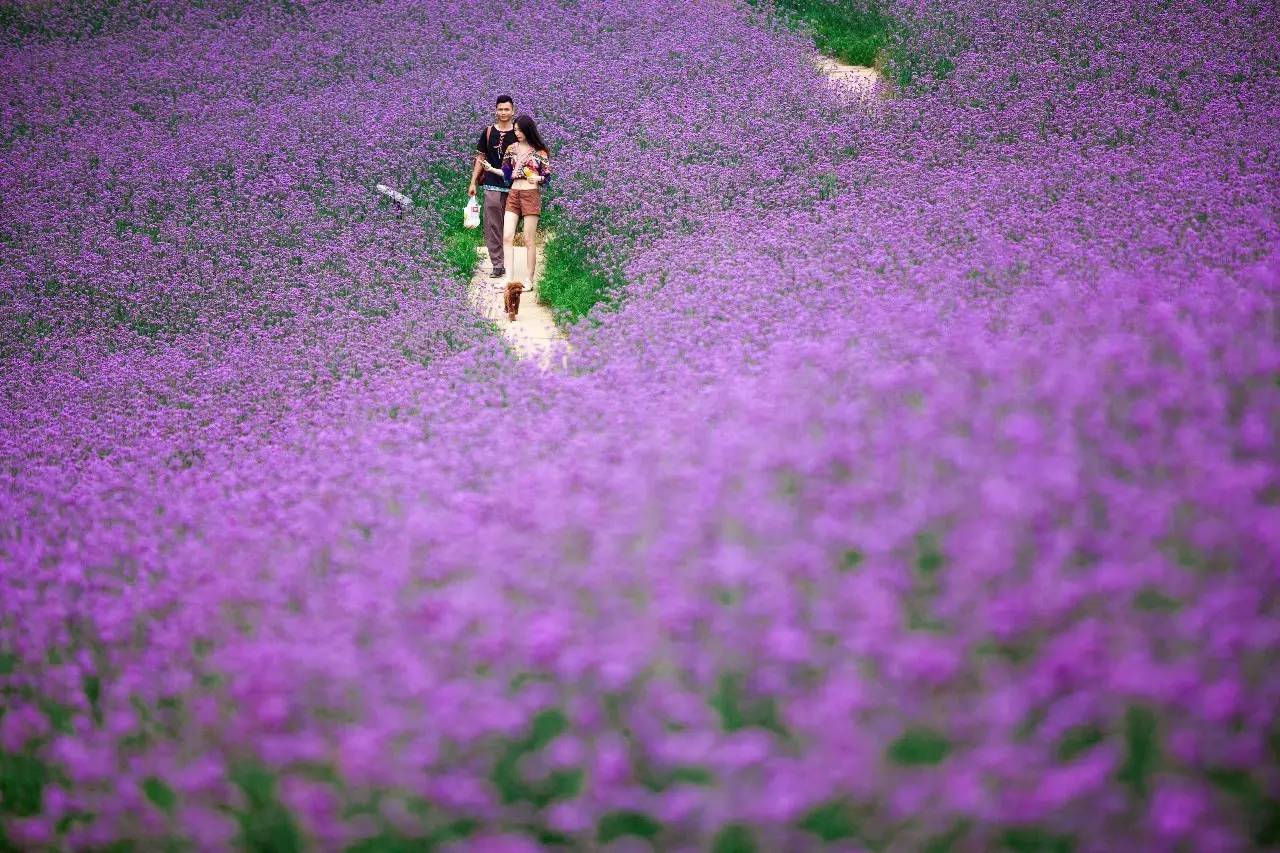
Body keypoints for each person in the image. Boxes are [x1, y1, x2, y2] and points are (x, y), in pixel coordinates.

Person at [492, 114, 550, 284]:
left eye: (520, 130)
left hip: (531, 194)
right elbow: (507, 173)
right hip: (513, 194)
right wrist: (492, 169)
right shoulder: (511, 148)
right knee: (507, 236)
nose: (517, 133)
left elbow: (547, 176)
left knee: (528, 239)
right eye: (515, 130)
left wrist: (537, 179)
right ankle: (509, 278)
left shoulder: (540, 151)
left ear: (528, 130)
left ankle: (529, 279)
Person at [469, 95, 517, 279]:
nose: (503, 113)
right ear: (495, 111)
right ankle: (497, 264)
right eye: (500, 109)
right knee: (493, 226)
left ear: (513, 111)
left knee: (510, 227)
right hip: (491, 185)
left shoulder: (518, 132)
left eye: (507, 109)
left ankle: (508, 261)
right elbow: (480, 158)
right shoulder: (488, 131)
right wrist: (473, 182)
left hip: (515, 186)